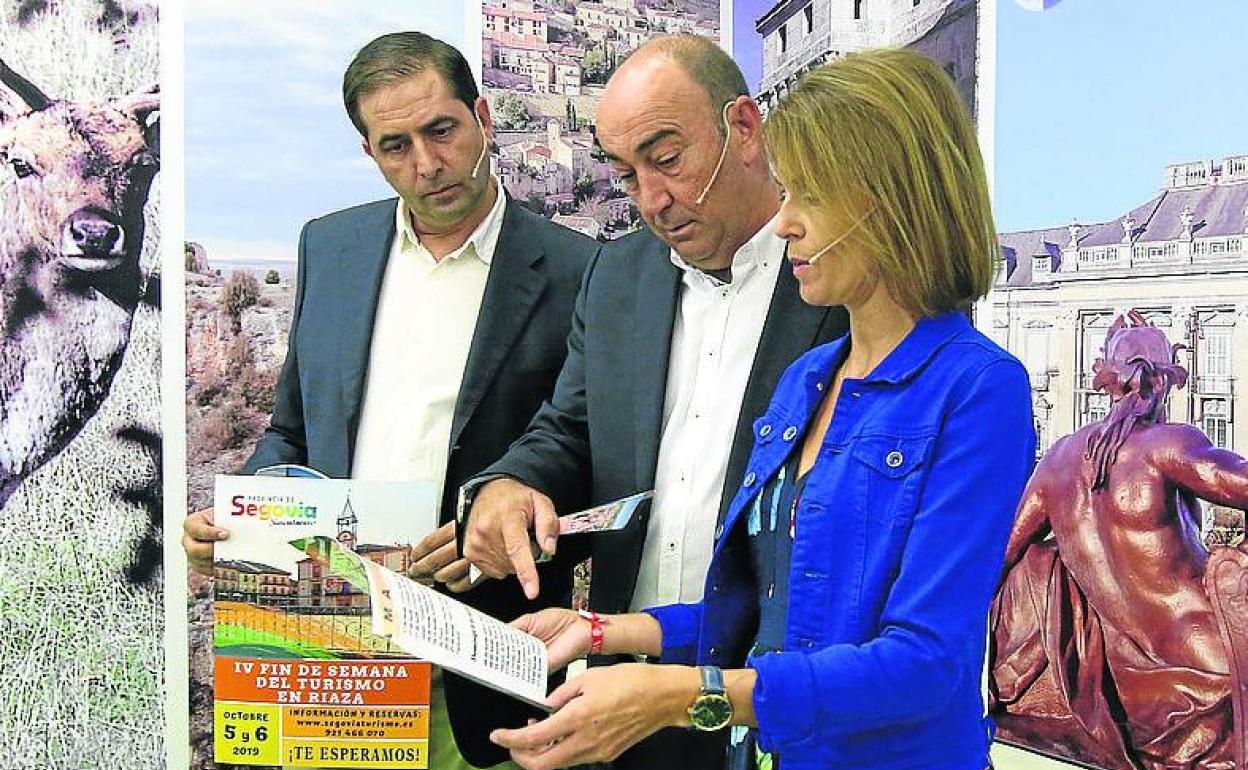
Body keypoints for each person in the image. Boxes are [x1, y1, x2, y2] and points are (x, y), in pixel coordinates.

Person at [487, 48, 1037, 770]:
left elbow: (925, 666)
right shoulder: (808, 378)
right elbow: (762, 615)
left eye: (809, 195)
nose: (784, 224)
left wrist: (682, 695)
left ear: (891, 199)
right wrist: (602, 632)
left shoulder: (978, 388)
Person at [181, 32, 596, 770]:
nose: (427, 164)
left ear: (484, 116)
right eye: (396, 144)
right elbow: (292, 432)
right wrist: (240, 516)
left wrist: (510, 534)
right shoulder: (330, 247)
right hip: (332, 662)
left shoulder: (579, 269)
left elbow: (587, 454)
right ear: (370, 153)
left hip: (487, 669)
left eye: (442, 130)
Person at [460, 34, 849, 770]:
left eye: (667, 160)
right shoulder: (616, 277)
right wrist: (511, 485)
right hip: (622, 701)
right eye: (625, 175)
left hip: (778, 701)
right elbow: (570, 431)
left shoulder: (841, 278)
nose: (652, 200)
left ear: (742, 128)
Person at [992, 311, 1248, 769]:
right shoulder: (1167, 444)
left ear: (1107, 381)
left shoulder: (1057, 461)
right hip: (1212, 667)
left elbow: (1000, 555)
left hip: (1123, 687)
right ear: (1165, 381)